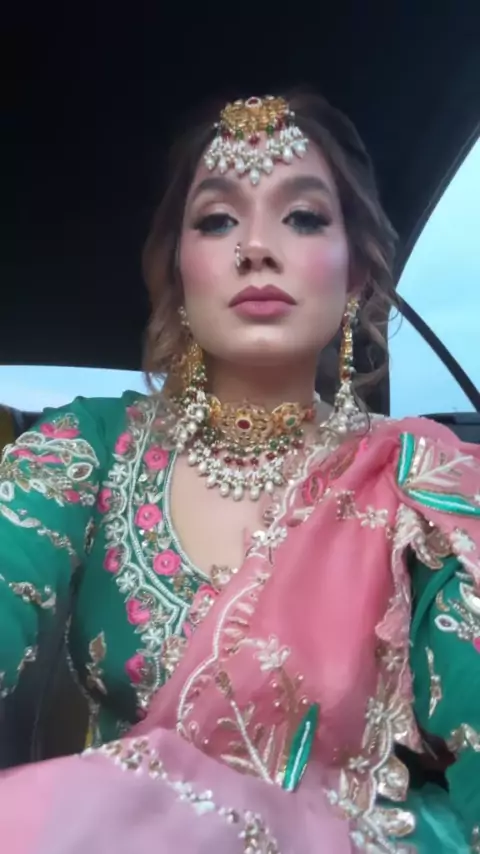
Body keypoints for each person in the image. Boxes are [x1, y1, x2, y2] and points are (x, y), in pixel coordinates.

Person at [0, 91, 478, 853]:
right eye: (218, 220)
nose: (255, 247)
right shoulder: (91, 446)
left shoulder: (418, 484)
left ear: (355, 273)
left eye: (304, 217)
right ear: (179, 270)